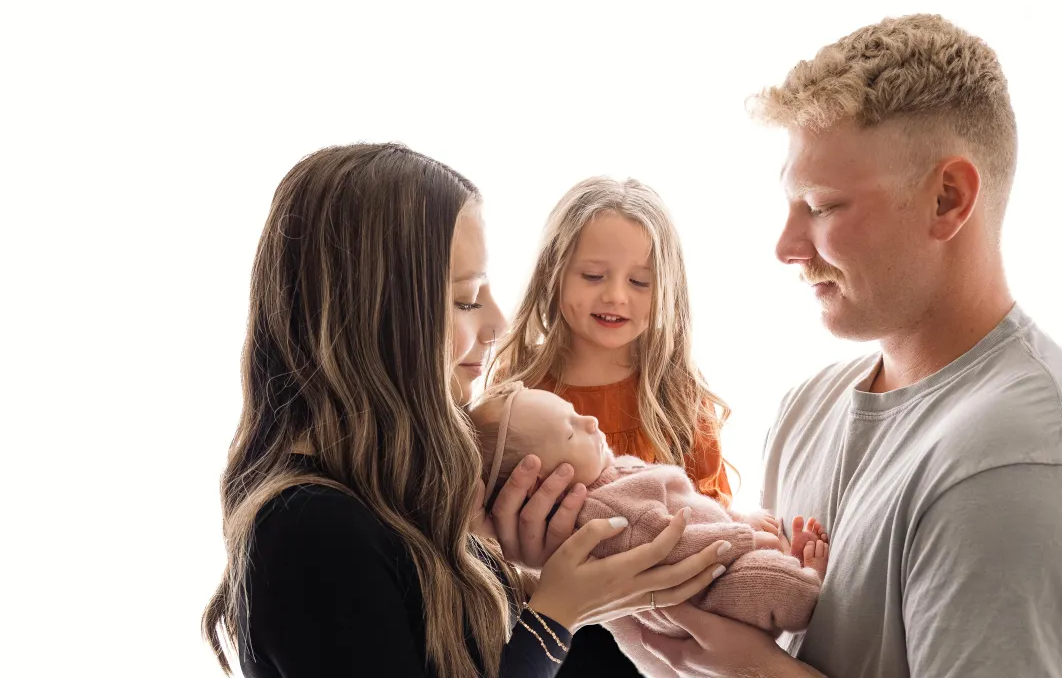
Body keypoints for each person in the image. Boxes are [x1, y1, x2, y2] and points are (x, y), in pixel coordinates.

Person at [635, 14, 1062, 677]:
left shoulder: (1023, 462)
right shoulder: (809, 409)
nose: (786, 247)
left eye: (823, 207)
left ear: (948, 199)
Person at [200, 143, 728, 678]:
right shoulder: (312, 529)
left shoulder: (400, 497)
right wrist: (556, 616)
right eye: (465, 299)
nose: (499, 323)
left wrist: (526, 568)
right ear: (375, 318)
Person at [491, 176, 777, 674]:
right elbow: (485, 534)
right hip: (557, 630)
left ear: (665, 291)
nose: (616, 296)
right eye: (593, 275)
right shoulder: (520, 392)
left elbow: (709, 516)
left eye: (639, 282)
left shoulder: (678, 397)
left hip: (663, 631)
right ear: (553, 275)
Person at [470, 381, 828, 676]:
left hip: (704, 578)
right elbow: (672, 543)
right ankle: (806, 581)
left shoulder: (613, 472)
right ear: (541, 483)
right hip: (705, 594)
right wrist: (742, 537)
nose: (591, 422)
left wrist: (737, 518)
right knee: (774, 584)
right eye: (570, 433)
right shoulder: (601, 511)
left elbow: (689, 506)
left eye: (576, 413)